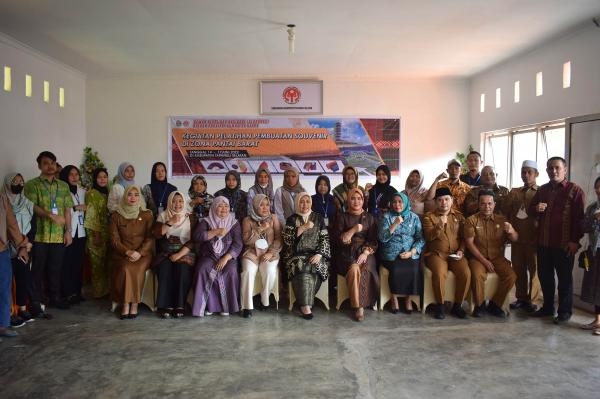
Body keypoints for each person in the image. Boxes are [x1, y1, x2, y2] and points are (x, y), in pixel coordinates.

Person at [529, 156, 585, 324]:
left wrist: (575, 241)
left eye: (557, 168)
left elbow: (579, 220)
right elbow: (531, 209)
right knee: (545, 277)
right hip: (544, 243)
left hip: (564, 245)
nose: (553, 171)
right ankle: (547, 308)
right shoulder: (542, 190)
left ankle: (564, 312)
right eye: (550, 168)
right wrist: (535, 208)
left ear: (565, 170)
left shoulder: (575, 190)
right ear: (546, 171)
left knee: (565, 280)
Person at [24, 151, 74, 314]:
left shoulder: (63, 185)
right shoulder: (32, 185)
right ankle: (36, 301)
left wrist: (68, 231)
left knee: (55, 268)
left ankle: (55, 298)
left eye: (53, 163)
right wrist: (50, 215)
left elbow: (67, 209)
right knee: (37, 270)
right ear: (39, 166)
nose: (50, 166)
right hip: (39, 235)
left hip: (58, 235)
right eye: (46, 163)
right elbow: (31, 206)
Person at [464, 190, 518, 318]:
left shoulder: (502, 220)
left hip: (497, 257)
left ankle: (495, 304)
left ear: (494, 204)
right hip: (477, 257)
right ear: (478, 204)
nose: (487, 207)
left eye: (489, 203)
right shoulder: (471, 220)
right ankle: (480, 305)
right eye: (483, 204)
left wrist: (511, 231)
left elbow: (515, 238)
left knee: (511, 276)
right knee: (477, 275)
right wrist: (484, 261)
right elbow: (469, 244)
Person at [422, 187, 470, 319]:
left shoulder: (459, 217)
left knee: (465, 273)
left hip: (455, 254)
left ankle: (458, 305)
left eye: (447, 199)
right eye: (440, 200)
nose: (444, 203)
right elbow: (428, 237)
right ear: (436, 202)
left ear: (452, 200)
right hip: (436, 254)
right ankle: (440, 305)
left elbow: (464, 238)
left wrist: (461, 250)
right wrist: (439, 225)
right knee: (439, 273)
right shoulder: (429, 217)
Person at [331, 188, 378, 321]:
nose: (356, 201)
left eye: (359, 198)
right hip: (346, 252)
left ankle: (364, 303)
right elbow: (338, 240)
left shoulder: (369, 218)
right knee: (353, 268)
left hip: (366, 251)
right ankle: (358, 307)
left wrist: (366, 252)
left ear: (363, 200)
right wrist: (354, 229)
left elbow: (373, 240)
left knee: (366, 268)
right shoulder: (342, 216)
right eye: (353, 198)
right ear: (348, 200)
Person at [282, 192, 330, 320]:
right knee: (302, 266)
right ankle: (306, 306)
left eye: (307, 201)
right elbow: (287, 241)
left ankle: (304, 302)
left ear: (311, 203)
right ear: (297, 203)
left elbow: (325, 238)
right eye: (301, 202)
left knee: (314, 266)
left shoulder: (318, 218)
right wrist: (302, 228)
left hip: (316, 254)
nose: (305, 204)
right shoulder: (291, 219)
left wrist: (320, 254)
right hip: (295, 255)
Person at [191, 196, 242, 317]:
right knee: (203, 269)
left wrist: (226, 258)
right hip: (209, 255)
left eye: (226, 206)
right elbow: (197, 237)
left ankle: (227, 307)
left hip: (228, 257)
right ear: (214, 207)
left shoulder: (234, 223)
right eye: (220, 206)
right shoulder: (206, 221)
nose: (223, 209)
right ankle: (209, 306)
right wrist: (215, 231)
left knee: (231, 271)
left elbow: (238, 244)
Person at [109, 186, 154, 319]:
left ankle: (133, 304)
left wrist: (139, 253)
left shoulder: (146, 214)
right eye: (129, 194)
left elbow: (150, 237)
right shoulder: (116, 215)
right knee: (125, 267)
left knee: (136, 268)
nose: (133, 198)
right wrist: (128, 252)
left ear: (140, 197)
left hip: (143, 254)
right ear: (124, 197)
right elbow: (114, 240)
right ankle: (125, 304)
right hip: (122, 253)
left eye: (136, 195)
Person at [378, 192, 424, 314]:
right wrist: (394, 224)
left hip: (409, 252)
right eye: (394, 202)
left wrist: (412, 251)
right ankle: (394, 299)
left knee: (413, 268)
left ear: (405, 203)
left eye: (400, 201)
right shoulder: (386, 217)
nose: (397, 204)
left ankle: (408, 299)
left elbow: (420, 238)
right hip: (391, 252)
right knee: (395, 268)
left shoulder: (414, 217)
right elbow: (382, 238)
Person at [504, 160, 541, 312]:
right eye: (523, 172)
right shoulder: (514, 192)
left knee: (534, 270)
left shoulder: (541, 191)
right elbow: (506, 211)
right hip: (517, 238)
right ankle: (520, 298)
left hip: (534, 238)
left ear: (536, 174)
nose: (525, 175)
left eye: (529, 172)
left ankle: (532, 300)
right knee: (518, 268)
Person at [152, 191, 196, 318]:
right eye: (174, 201)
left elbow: (193, 241)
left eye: (180, 201)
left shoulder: (190, 217)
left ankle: (180, 305)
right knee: (165, 269)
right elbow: (156, 235)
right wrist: (170, 222)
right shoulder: (163, 215)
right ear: (170, 202)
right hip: (166, 252)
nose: (177, 204)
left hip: (185, 252)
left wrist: (179, 255)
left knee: (182, 270)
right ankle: (166, 305)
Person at [240, 194, 282, 318]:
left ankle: (265, 300)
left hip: (269, 253)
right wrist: (260, 229)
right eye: (261, 205)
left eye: (267, 204)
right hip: (252, 253)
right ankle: (247, 307)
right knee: (247, 272)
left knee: (269, 271)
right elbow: (246, 240)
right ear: (255, 206)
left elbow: (279, 238)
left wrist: (271, 252)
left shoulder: (273, 218)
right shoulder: (247, 220)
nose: (265, 208)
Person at [1, 173, 35, 322]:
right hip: (6, 248)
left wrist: (26, 244)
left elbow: (32, 225)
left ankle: (22, 308)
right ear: (8, 183)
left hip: (24, 246)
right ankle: (8, 313)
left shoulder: (27, 202)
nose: (20, 184)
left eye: (22, 181)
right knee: (5, 283)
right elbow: (8, 227)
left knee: (23, 278)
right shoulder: (3, 200)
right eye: (16, 181)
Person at [0, 188, 31, 338]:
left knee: (4, 288)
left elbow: (11, 223)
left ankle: (3, 325)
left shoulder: (2, 199)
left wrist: (22, 245)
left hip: (1, 250)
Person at [59, 165, 87, 304]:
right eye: (71, 174)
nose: (75, 177)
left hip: (81, 232)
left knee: (78, 263)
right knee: (67, 263)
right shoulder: (62, 191)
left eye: (77, 174)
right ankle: (67, 293)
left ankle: (77, 291)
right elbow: (63, 210)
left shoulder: (83, 191)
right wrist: (76, 207)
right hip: (68, 231)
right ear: (65, 176)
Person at [580, 176, 600, 335]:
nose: (599, 190)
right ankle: (597, 320)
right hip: (594, 251)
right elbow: (584, 227)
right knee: (595, 286)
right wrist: (594, 219)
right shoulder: (592, 208)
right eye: (597, 187)